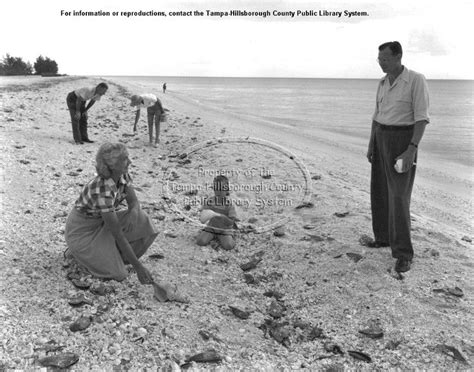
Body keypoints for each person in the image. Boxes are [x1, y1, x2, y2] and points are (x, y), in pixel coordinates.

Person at [366, 41, 430, 273]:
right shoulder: (382, 83)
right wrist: (372, 144)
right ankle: (382, 238)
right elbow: (377, 116)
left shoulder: (415, 80)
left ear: (398, 57)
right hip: (381, 138)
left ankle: (404, 253)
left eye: (384, 58)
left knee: (399, 197)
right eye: (379, 58)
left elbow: (422, 118)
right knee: (380, 191)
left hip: (402, 140)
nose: (380, 62)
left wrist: (412, 148)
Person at [65, 143, 157, 283]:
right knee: (119, 274)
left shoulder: (122, 175)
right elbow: (118, 234)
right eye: (125, 159)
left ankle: (112, 255)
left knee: (143, 220)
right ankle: (78, 253)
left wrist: (133, 212)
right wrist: (139, 267)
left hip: (102, 224)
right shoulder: (103, 189)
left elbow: (134, 203)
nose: (130, 162)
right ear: (112, 165)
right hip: (82, 232)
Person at [196, 175, 238, 251]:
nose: (218, 192)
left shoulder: (229, 205)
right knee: (200, 241)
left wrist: (220, 215)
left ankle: (231, 236)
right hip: (212, 227)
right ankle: (214, 238)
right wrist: (204, 214)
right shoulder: (210, 201)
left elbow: (231, 222)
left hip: (224, 229)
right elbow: (203, 216)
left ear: (227, 190)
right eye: (216, 189)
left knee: (228, 245)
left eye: (221, 189)